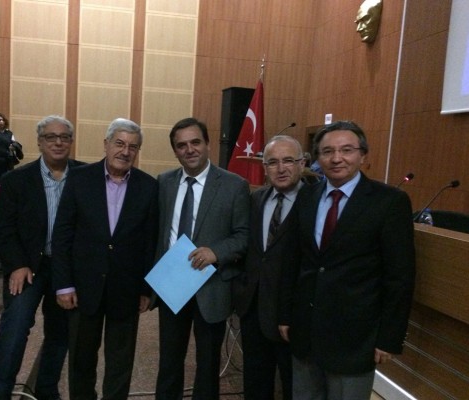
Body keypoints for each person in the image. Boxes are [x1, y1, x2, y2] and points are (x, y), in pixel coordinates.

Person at [279, 120, 416, 400]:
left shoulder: (389, 202)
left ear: (363, 155)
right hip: (305, 331)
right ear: (317, 158)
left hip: (355, 338)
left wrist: (389, 338)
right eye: (327, 151)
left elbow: (400, 276)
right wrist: (285, 315)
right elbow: (292, 260)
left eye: (347, 150)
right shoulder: (307, 196)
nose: (336, 158)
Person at [51, 118, 158, 400]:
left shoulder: (149, 186)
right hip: (83, 288)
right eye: (119, 143)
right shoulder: (79, 178)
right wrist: (63, 284)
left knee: (121, 362)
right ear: (106, 144)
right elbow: (62, 235)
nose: (125, 151)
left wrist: (146, 289)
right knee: (81, 359)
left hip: (126, 290)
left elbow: (150, 243)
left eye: (132, 147)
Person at [0, 115, 84, 400]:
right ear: (40, 142)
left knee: (60, 333)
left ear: (71, 141)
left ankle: (46, 389)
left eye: (64, 137)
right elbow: (5, 229)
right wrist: (17, 265)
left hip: (66, 270)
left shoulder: (86, 176)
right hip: (27, 267)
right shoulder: (15, 179)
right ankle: (0, 391)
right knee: (15, 328)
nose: (58, 142)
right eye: (51, 137)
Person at [154, 117, 250, 399]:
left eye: (195, 142)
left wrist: (216, 252)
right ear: (175, 151)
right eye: (181, 145)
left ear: (208, 144)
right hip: (172, 283)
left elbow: (244, 235)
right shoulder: (164, 182)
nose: (189, 149)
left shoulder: (234, 185)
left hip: (211, 285)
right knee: (169, 360)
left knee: (207, 364)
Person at [232, 135, 305, 400]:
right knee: (255, 384)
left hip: (293, 315)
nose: (281, 168)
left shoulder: (315, 202)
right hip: (253, 309)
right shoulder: (256, 199)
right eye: (273, 162)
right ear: (264, 167)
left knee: (293, 386)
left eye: (288, 160)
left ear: (302, 164)